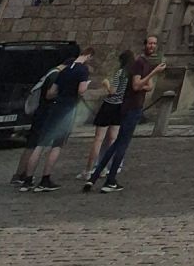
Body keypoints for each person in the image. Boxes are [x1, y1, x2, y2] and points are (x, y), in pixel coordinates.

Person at [85, 34, 166, 193]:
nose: (152, 46)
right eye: (150, 43)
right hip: (131, 108)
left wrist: (146, 80)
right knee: (122, 144)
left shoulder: (142, 64)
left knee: (116, 143)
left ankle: (93, 178)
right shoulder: (139, 64)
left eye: (154, 43)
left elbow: (148, 87)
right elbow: (137, 86)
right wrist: (155, 72)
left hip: (130, 107)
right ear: (144, 45)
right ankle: (110, 180)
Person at [19, 48, 97, 192]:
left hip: (54, 108)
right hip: (66, 110)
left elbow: (50, 94)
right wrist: (84, 86)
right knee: (56, 145)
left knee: (40, 145)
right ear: (89, 56)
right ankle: (45, 179)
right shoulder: (82, 71)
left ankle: (27, 180)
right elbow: (81, 90)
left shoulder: (64, 71)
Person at [11, 56, 72, 185]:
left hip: (40, 112)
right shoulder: (56, 75)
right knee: (35, 145)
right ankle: (24, 175)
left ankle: (20, 174)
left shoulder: (51, 72)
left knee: (31, 144)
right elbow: (49, 95)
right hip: (44, 113)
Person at [79, 50, 134, 178]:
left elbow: (112, 91)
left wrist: (106, 84)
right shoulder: (131, 75)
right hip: (120, 107)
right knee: (112, 139)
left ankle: (89, 170)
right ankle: (106, 168)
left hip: (110, 106)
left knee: (98, 139)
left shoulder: (120, 73)